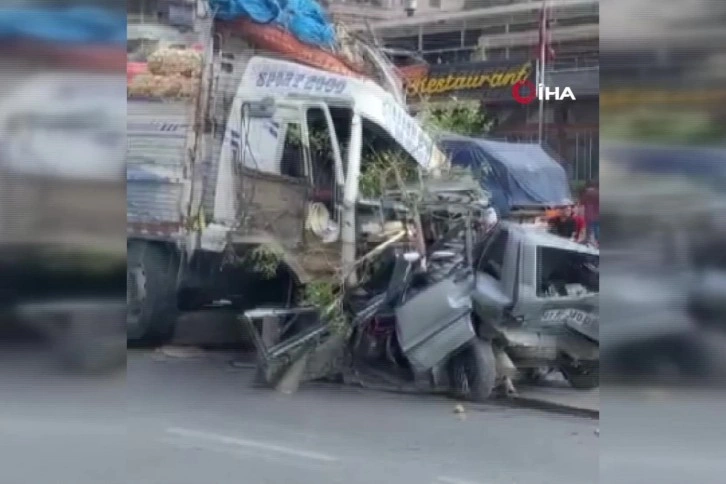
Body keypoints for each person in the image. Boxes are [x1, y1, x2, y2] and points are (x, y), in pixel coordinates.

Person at [581, 180, 600, 245]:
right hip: (598, 214)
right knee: (597, 228)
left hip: (589, 214)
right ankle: (598, 242)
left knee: (589, 228)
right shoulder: (599, 192)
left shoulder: (588, 192)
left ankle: (588, 240)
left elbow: (582, 201)